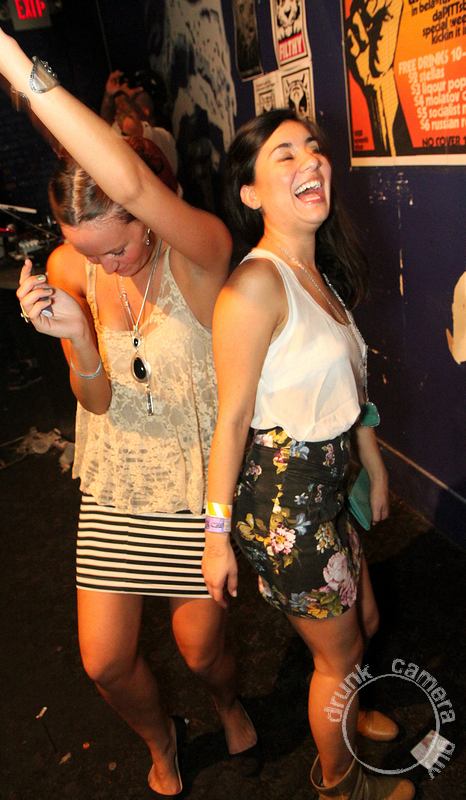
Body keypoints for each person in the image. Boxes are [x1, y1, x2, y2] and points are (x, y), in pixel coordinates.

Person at [0, 2, 258, 796]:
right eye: (87, 252)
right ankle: (160, 739)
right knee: (104, 663)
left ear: (146, 215)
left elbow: (131, 180)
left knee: (202, 652)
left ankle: (225, 701)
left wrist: (3, 52)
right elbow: (98, 404)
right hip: (115, 484)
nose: (104, 265)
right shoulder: (74, 268)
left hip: (195, 488)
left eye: (116, 245)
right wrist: (78, 339)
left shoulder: (200, 255)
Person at [201, 109, 415, 800]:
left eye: (312, 149)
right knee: (337, 657)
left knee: (365, 624)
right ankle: (341, 784)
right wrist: (215, 538)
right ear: (251, 193)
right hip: (282, 506)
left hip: (323, 489)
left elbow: (348, 388)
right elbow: (231, 421)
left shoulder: (314, 271)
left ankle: (349, 711)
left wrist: (372, 464)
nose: (310, 161)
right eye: (284, 155)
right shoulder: (254, 286)